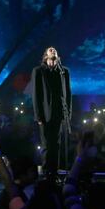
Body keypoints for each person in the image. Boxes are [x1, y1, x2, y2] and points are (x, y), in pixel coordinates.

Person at [31, 47, 72, 175]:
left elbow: (68, 93)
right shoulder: (38, 71)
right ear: (46, 55)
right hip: (45, 114)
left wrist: (68, 113)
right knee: (46, 145)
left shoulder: (64, 71)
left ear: (57, 55)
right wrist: (38, 116)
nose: (53, 50)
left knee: (57, 144)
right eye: (50, 50)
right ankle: (46, 171)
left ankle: (54, 172)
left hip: (59, 113)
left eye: (54, 50)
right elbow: (35, 95)